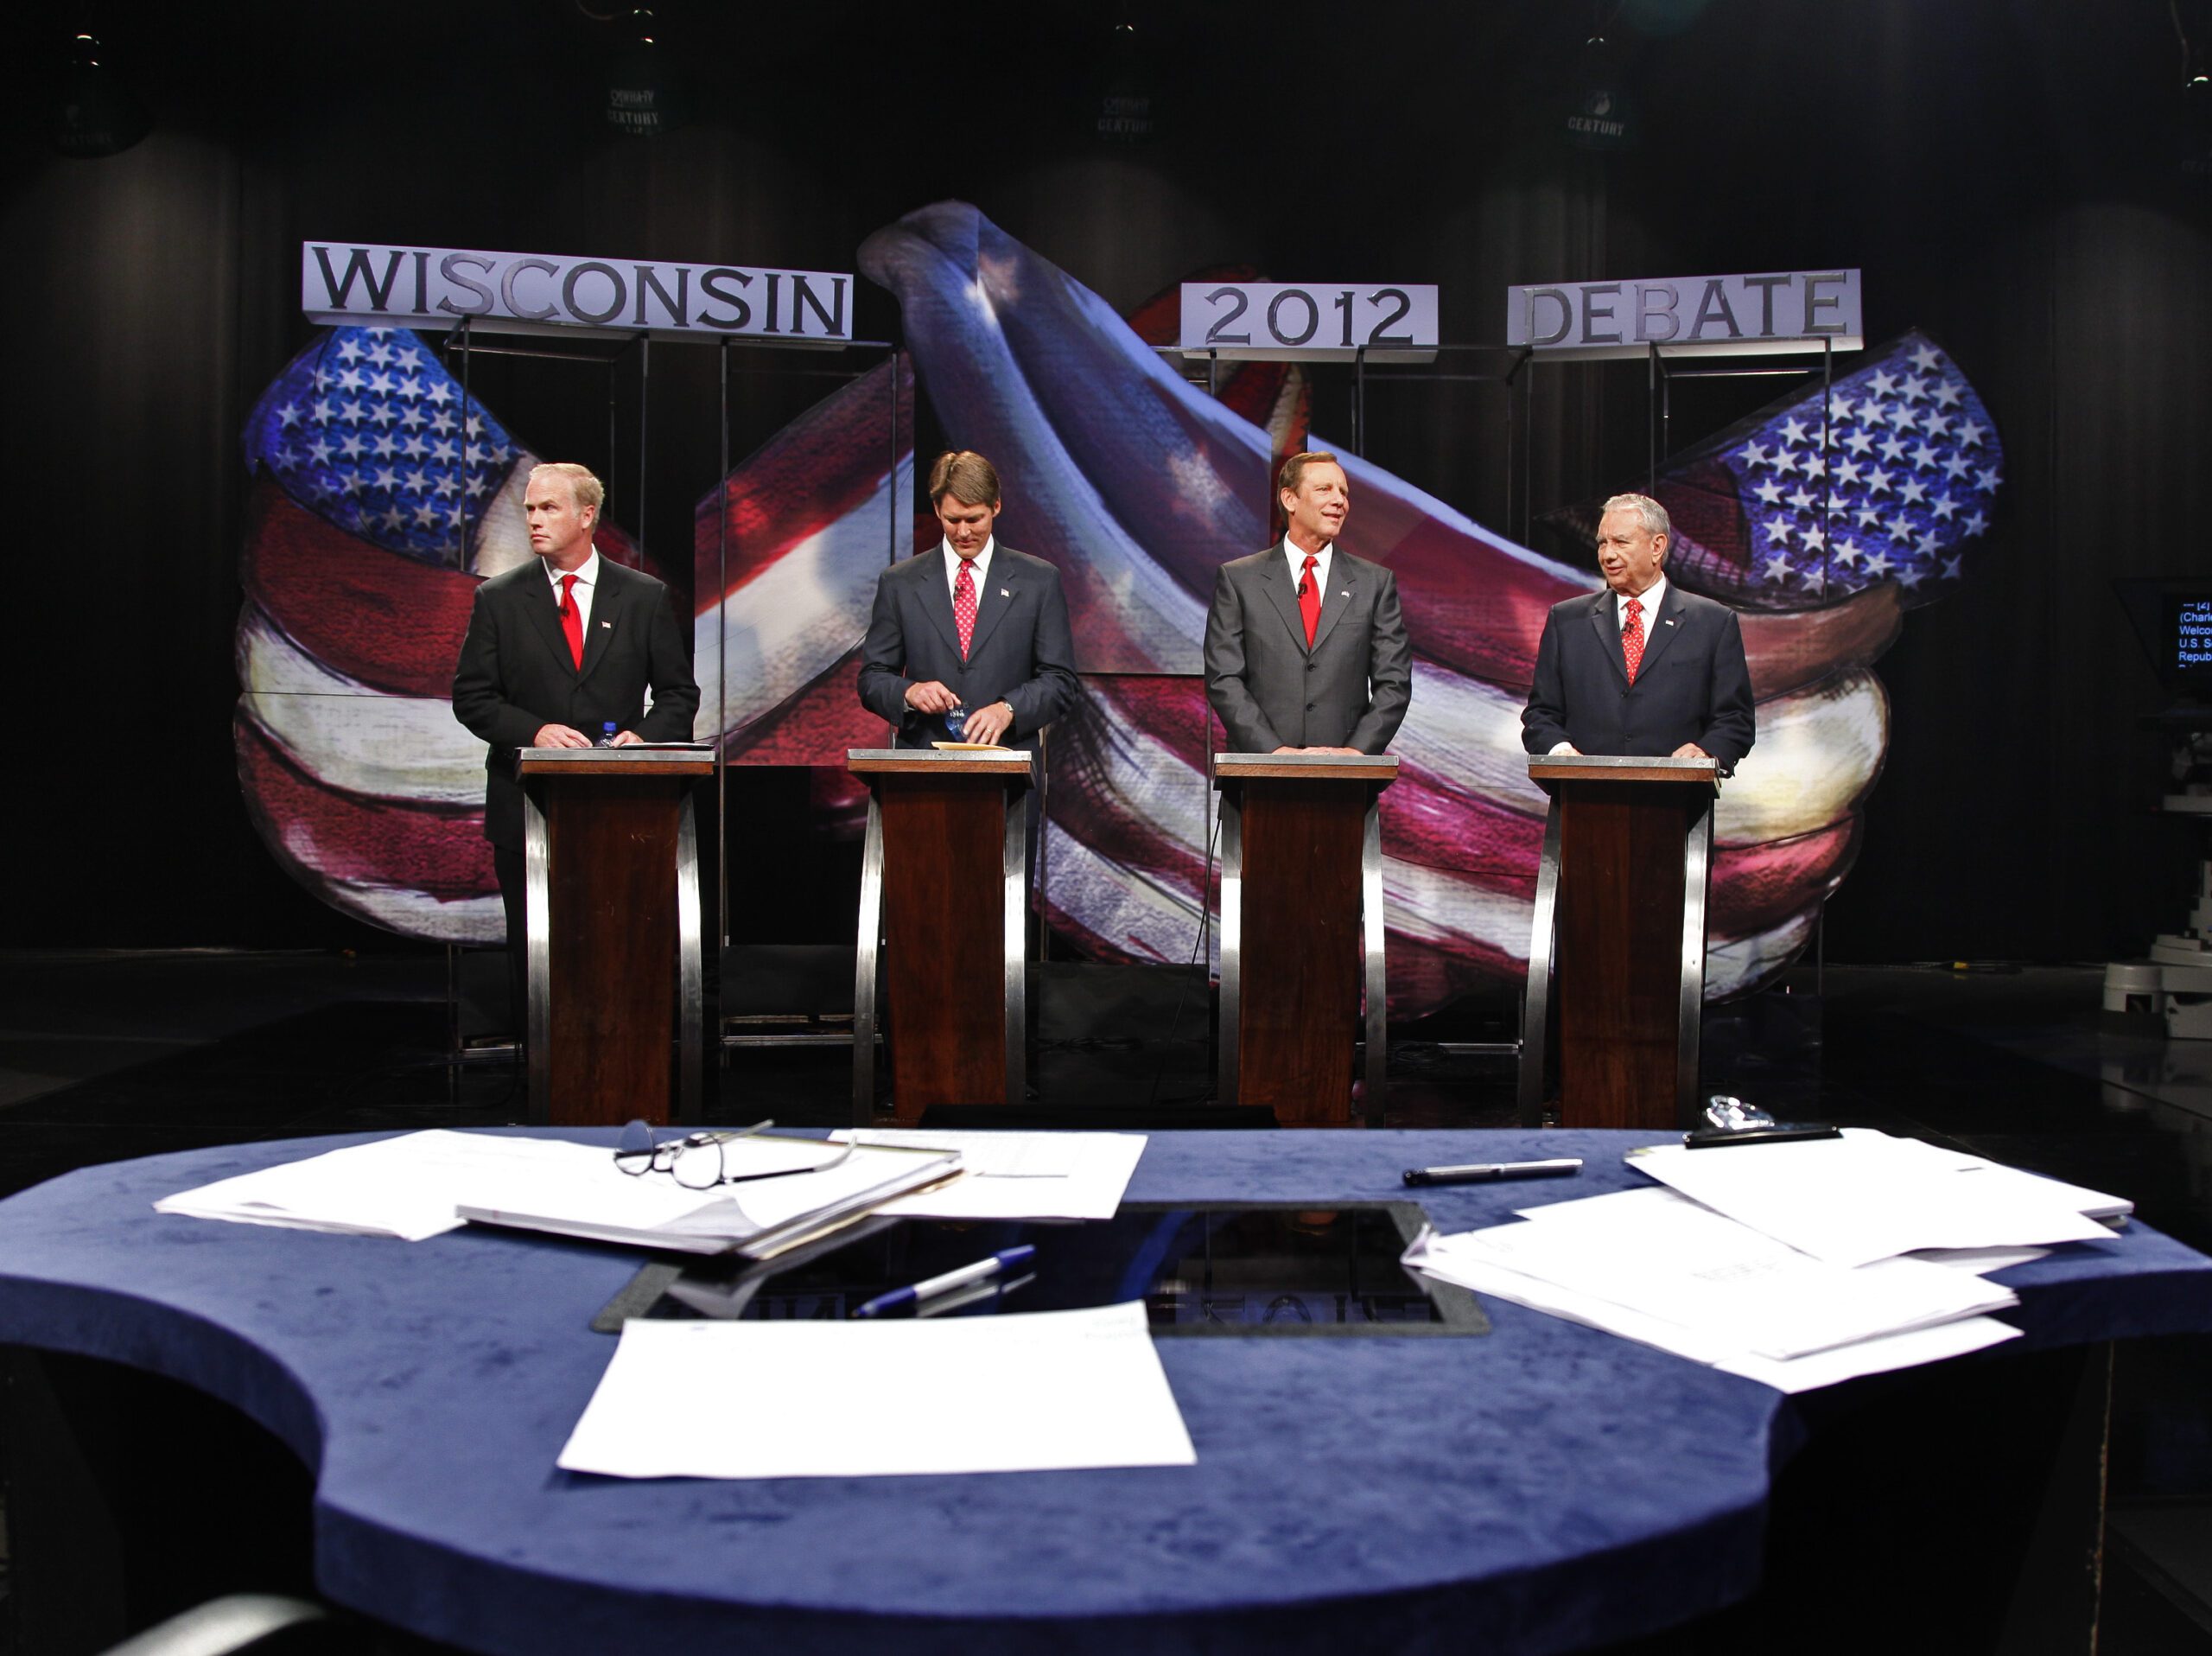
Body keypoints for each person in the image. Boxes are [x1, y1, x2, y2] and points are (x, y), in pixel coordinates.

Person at [451, 462, 700, 1030]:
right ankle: (543, 1083)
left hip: (620, 810)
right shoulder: (499, 599)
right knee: (539, 959)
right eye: (530, 509)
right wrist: (532, 732)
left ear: (587, 515)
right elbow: (472, 698)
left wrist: (644, 737)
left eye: (548, 508)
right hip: (527, 810)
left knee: (618, 953)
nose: (534, 519)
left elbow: (678, 696)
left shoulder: (643, 597)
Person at [856, 450, 1080, 749]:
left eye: (974, 519)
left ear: (996, 506)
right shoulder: (899, 583)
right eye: (953, 520)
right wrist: (908, 692)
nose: (963, 532)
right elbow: (873, 678)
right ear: (937, 510)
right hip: (921, 768)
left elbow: (1060, 680)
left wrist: (1008, 710)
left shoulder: (1039, 581)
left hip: (1007, 765)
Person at [1520, 492, 1755, 770]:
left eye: (1620, 542)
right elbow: (1541, 713)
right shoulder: (1567, 620)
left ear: (1657, 547)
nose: (1608, 555)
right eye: (1602, 543)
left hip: (1676, 803)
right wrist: (1560, 752)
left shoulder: (1713, 622)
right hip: (1582, 801)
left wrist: (1705, 751)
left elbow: (1735, 719)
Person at [1203, 451, 1412, 755]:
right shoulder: (1239, 580)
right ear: (1290, 500)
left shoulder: (1375, 584)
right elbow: (1224, 679)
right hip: (1257, 779)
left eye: (1344, 492)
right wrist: (1274, 752)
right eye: (1324, 489)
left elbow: (1393, 682)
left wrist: (1355, 754)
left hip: (1345, 784)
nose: (1339, 500)